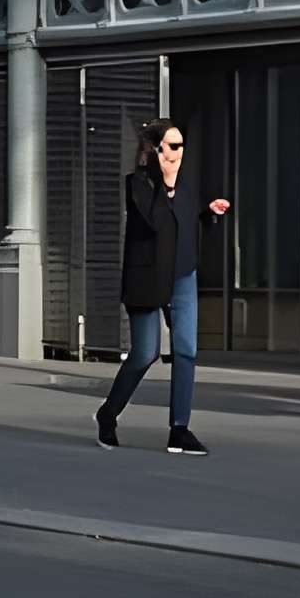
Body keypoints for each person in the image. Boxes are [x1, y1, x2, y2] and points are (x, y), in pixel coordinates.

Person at [93, 116, 229, 455]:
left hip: (183, 275)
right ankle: (108, 413)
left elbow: (188, 224)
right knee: (145, 353)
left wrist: (208, 213)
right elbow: (154, 222)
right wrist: (166, 183)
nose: (177, 153)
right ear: (155, 149)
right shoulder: (138, 184)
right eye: (171, 146)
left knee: (186, 350)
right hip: (147, 279)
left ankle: (179, 429)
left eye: (181, 146)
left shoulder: (187, 184)